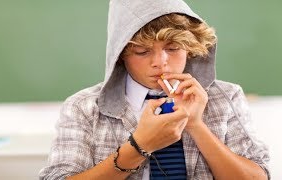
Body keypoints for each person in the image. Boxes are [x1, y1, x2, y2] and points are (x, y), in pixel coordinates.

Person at [39, 0, 270, 179]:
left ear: (190, 48)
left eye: (173, 48)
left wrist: (196, 125)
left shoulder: (225, 97)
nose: (160, 62)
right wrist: (140, 146)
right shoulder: (84, 107)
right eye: (142, 51)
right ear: (120, 56)